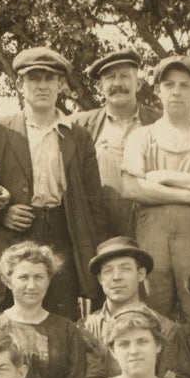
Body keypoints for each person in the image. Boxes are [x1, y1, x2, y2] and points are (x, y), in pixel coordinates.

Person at [0, 47, 105, 316]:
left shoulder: (78, 136)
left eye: (50, 78)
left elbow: (93, 201)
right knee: (6, 313)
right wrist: (2, 214)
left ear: (60, 84)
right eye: (34, 78)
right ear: (19, 84)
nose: (42, 86)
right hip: (13, 234)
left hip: (62, 233)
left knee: (60, 313)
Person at [120, 54, 190, 319]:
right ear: (158, 90)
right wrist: (189, 196)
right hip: (153, 240)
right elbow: (131, 188)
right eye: (169, 85)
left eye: (185, 85)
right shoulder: (141, 136)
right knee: (155, 314)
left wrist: (163, 176)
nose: (177, 92)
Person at [79, 237, 190, 378]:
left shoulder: (166, 329)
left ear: (141, 274)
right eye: (108, 271)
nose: (116, 277)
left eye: (125, 268)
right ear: (100, 279)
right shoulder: (86, 328)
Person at [0, 241, 94, 378]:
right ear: (7, 281)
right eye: (23, 277)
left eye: (39, 277)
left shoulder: (66, 329)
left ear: (48, 280)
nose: (32, 286)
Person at [70, 49, 161, 238]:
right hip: (98, 231)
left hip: (150, 228)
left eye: (125, 76)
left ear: (139, 84)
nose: (117, 83)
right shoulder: (79, 125)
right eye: (110, 77)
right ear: (99, 87)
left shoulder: (160, 123)